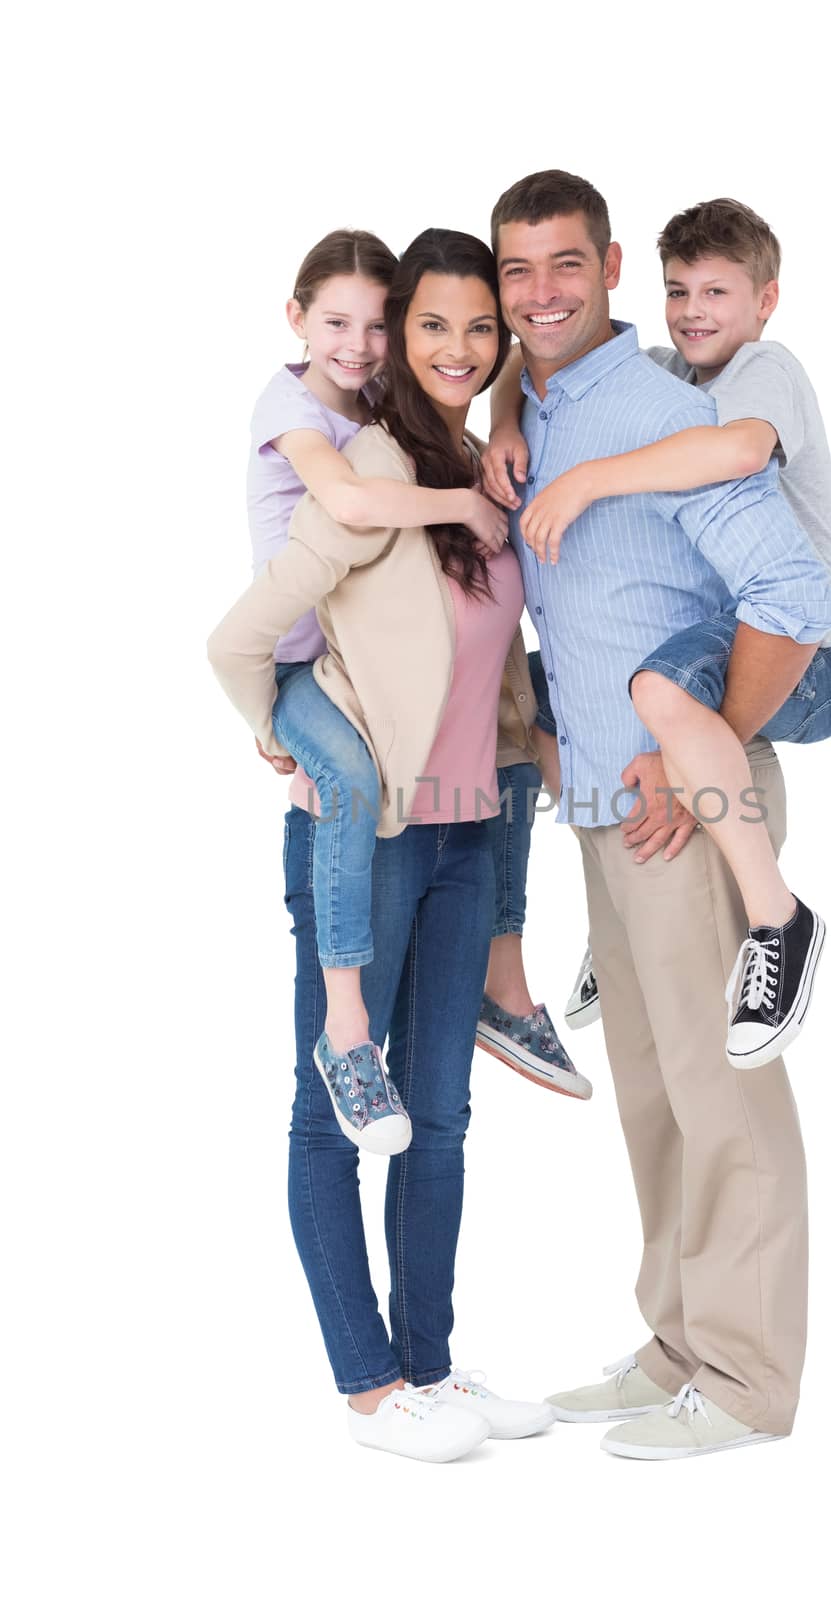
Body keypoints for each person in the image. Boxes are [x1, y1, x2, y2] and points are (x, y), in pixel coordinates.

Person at [488, 169, 831, 1460]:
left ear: (611, 265)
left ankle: (745, 1382)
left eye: (562, 265)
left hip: (682, 808)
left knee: (719, 1091)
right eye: (515, 270)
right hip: (601, 809)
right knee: (651, 1090)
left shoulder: (649, 412)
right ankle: (677, 1342)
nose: (538, 294)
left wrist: (707, 751)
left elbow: (792, 595)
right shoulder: (538, 407)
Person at [208, 228, 554, 1462]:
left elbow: (496, 661)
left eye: (481, 329)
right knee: (331, 1112)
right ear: (392, 337)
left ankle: (431, 1368)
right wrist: (276, 729)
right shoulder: (362, 459)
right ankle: (367, 1386)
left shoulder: (476, 459)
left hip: (468, 833)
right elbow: (246, 631)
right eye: (431, 327)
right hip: (375, 834)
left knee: (442, 1119)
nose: (457, 350)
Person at [486, 197, 831, 1069]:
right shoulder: (671, 372)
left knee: (653, 690)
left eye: (717, 293)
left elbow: (732, 454)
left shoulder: (765, 372)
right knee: (533, 698)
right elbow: (527, 355)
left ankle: (779, 920)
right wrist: (504, 420)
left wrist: (584, 482)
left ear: (766, 300)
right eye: (679, 291)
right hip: (734, 633)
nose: (694, 312)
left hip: (814, 648)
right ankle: (606, 916)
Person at [219, 229, 514, 1148]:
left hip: (347, 669)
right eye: (334, 322)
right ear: (295, 318)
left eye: (373, 325)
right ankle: (347, 1030)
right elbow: (346, 505)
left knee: (522, 737)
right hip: (299, 669)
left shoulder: (375, 394)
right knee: (345, 784)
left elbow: (467, 363)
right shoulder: (297, 405)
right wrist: (268, 721)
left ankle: (507, 981)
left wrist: (500, 429)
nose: (356, 344)